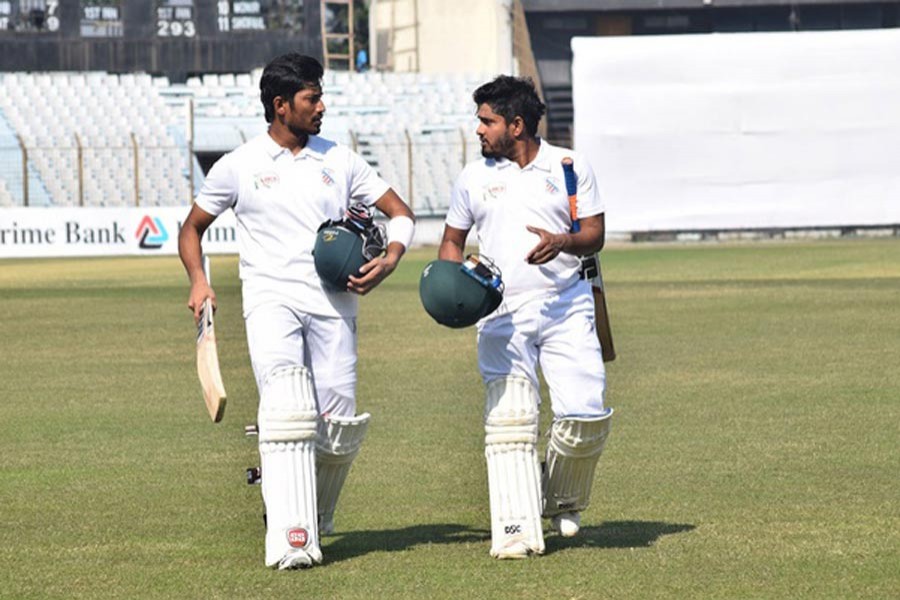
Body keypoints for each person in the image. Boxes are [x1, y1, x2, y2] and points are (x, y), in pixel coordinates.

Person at [178, 53, 415, 570]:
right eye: (312, 97)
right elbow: (191, 228)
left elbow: (400, 213)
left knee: (339, 425)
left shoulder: (341, 159)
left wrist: (391, 257)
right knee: (287, 406)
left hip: (335, 305)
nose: (322, 106)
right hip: (271, 302)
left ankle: (306, 508)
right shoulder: (239, 165)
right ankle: (291, 535)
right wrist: (200, 281)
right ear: (281, 105)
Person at [437, 75, 613, 559]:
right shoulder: (473, 178)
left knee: (586, 415)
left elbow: (594, 234)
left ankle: (561, 497)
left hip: (566, 306)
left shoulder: (569, 167)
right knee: (512, 422)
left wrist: (564, 241)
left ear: (516, 125)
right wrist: (452, 286)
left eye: (487, 120)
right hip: (500, 314)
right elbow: (453, 239)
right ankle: (516, 529)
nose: (478, 129)